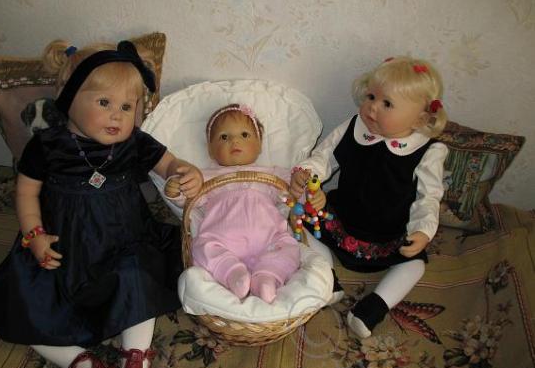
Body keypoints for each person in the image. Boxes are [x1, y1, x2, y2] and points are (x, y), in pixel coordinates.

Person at [0, 39, 203, 368]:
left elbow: (169, 164)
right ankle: (82, 364)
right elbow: (26, 193)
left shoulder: (133, 143)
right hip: (62, 249)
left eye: (127, 106)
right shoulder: (46, 146)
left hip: (125, 243)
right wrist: (34, 236)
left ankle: (135, 361)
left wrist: (185, 172)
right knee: (20, 305)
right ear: (67, 95)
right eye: (104, 102)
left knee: (139, 282)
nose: (117, 116)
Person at [290, 56, 448, 339]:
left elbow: (428, 197)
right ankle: (326, 278)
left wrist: (423, 231)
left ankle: (374, 306)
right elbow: (324, 156)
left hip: (388, 233)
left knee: (415, 264)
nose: (372, 107)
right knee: (297, 222)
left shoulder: (428, 150)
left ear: (420, 119)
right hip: (341, 219)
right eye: (371, 97)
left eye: (387, 103)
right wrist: (307, 173)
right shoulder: (354, 127)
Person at [165, 103, 303, 304]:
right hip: (223, 241)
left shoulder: (272, 173)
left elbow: (296, 193)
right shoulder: (204, 176)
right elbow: (190, 199)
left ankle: (267, 277)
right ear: (211, 150)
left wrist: (304, 187)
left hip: (269, 239)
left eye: (245, 135)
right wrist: (177, 189)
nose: (235, 141)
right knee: (201, 246)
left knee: (290, 247)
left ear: (259, 144)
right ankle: (233, 273)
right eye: (224, 137)